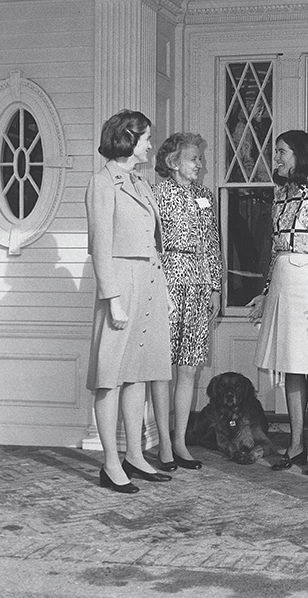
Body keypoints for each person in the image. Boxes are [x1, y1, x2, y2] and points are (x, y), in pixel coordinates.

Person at [86, 110, 173, 493]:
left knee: (138, 372)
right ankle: (110, 464)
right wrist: (113, 299)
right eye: (146, 139)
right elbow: (99, 248)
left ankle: (135, 455)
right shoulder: (103, 184)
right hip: (120, 284)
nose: (150, 145)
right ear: (127, 139)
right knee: (111, 376)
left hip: (149, 281)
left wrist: (165, 291)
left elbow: (154, 245)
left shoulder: (140, 182)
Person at [248, 130, 308, 476]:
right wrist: (266, 291)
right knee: (291, 367)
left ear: (300, 154)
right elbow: (275, 249)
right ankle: (296, 446)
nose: (277, 159)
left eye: (282, 152)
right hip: (285, 284)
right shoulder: (281, 194)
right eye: (276, 152)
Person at [151, 133, 222, 471]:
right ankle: (164, 443)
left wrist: (216, 288)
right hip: (166, 281)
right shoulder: (156, 195)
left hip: (198, 283)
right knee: (162, 367)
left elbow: (213, 245)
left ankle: (180, 442)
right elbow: (150, 244)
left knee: (188, 367)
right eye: (194, 158)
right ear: (172, 162)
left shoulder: (205, 197)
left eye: (199, 158)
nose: (200, 164)